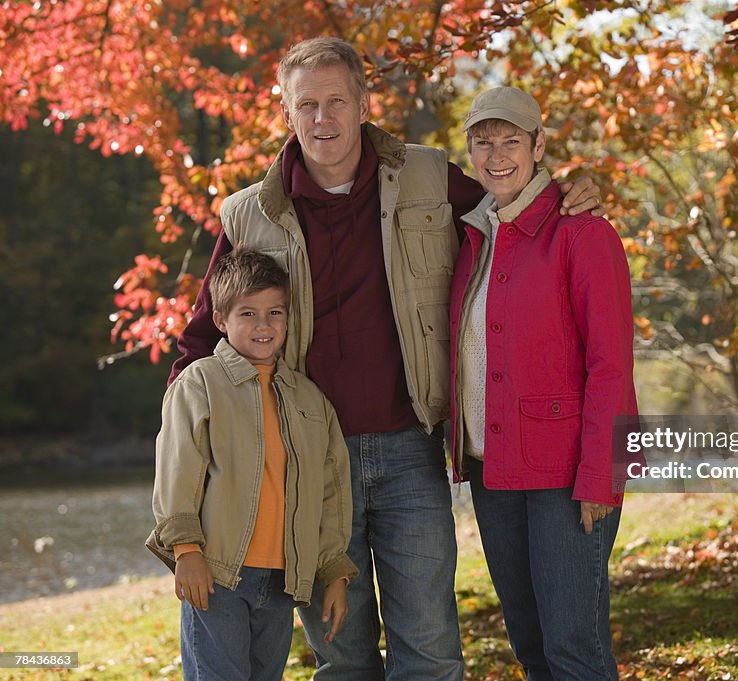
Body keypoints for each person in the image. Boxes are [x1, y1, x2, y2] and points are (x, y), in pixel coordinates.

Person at [168, 37, 600, 680]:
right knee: (340, 655)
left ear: (364, 104)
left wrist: (570, 191)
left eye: (336, 101)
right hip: (309, 464)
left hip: (410, 451)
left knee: (427, 646)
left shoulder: (428, 176)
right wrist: (192, 479)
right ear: (287, 114)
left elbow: (516, 210)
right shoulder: (251, 215)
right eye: (306, 104)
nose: (323, 119)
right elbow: (201, 345)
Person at [449, 86, 638, 681]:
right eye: (484, 142)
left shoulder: (583, 233)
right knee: (530, 648)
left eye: (511, 141)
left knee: (574, 651)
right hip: (492, 471)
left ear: (539, 145)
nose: (497, 154)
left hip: (566, 478)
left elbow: (612, 365)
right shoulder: (473, 233)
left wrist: (602, 478)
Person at [147, 247, 358, 681]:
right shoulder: (200, 383)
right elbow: (177, 472)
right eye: (248, 314)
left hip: (283, 581)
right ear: (221, 320)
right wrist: (186, 551)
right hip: (217, 575)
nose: (263, 326)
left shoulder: (309, 399)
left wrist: (334, 570)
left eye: (274, 312)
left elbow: (331, 491)